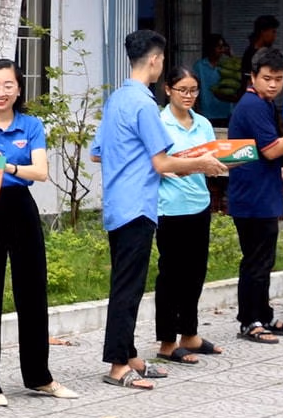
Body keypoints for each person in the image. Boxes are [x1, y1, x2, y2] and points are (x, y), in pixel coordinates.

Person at [95, 29, 227, 389]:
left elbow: (97, 152)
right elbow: (162, 163)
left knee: (128, 285)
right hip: (137, 205)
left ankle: (129, 355)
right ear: (155, 60)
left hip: (118, 203)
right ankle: (118, 366)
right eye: (163, 59)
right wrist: (203, 164)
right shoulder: (144, 105)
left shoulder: (116, 99)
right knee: (127, 289)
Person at [0, 58, 73, 405]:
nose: (1, 92)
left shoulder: (31, 125)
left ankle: (39, 376)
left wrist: (3, 165)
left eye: (8, 85)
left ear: (19, 89)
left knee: (33, 291)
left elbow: (40, 172)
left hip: (21, 207)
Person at [225, 47, 283, 343]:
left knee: (264, 261)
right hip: (251, 198)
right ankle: (250, 321)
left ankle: (263, 316)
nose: (273, 84)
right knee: (255, 261)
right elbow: (270, 149)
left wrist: (281, 173)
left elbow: (258, 154)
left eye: (278, 79)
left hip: (263, 193)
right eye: (267, 78)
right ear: (253, 76)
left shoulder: (264, 104)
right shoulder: (252, 105)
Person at [153, 65, 219, 364]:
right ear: (168, 90)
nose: (188, 95)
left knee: (195, 272)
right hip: (169, 207)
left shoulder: (203, 124)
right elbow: (155, 164)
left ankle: (189, 334)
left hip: (199, 203)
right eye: (182, 90)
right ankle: (167, 342)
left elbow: (212, 159)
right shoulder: (159, 123)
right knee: (171, 275)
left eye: (193, 90)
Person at [194, 35, 233, 126]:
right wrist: (197, 109)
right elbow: (195, 88)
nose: (221, 50)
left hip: (225, 111)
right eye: (219, 47)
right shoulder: (199, 66)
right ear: (210, 48)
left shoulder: (227, 65)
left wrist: (231, 55)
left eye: (223, 47)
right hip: (206, 111)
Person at [238, 15, 281, 82]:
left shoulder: (270, 52)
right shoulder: (250, 54)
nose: (275, 36)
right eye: (273, 32)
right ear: (263, 31)